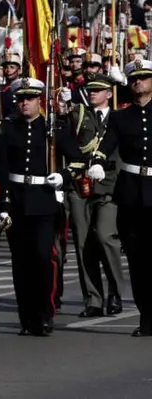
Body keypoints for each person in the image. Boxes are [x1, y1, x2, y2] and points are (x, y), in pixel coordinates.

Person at [0, 77, 83, 337]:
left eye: (30, 98)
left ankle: (44, 313)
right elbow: (0, 167)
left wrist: (64, 177)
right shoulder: (7, 128)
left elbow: (78, 160)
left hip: (44, 201)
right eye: (20, 99)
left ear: (39, 100)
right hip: (15, 201)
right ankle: (27, 317)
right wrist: (2, 202)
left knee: (43, 259)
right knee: (20, 263)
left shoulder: (52, 128)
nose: (24, 103)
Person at [88, 59, 152, 337]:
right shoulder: (120, 117)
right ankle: (147, 318)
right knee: (138, 260)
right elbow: (106, 145)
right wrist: (99, 162)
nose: (138, 82)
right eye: (134, 78)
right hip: (131, 192)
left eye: (144, 77)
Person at [67, 73, 124, 318]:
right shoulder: (79, 115)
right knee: (83, 245)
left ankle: (116, 292)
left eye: (98, 90)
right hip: (80, 185)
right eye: (90, 90)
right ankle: (93, 299)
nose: (92, 94)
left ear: (109, 94)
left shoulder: (119, 118)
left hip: (110, 185)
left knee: (105, 237)